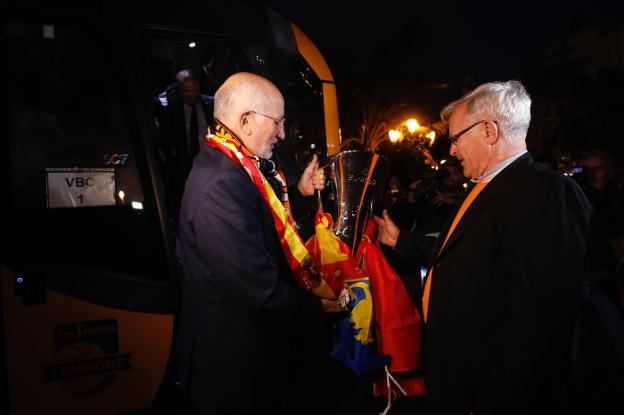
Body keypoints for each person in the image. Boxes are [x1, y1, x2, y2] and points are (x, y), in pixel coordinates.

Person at [375, 80, 591, 414]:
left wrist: (495, 398)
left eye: (456, 138)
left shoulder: (543, 191)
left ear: (489, 131)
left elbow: (539, 320)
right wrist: (401, 240)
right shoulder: (485, 186)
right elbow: (462, 254)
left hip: (488, 391)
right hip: (458, 377)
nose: (452, 151)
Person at [175, 72, 340, 415]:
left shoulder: (230, 164)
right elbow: (258, 289)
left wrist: (300, 194)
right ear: (246, 121)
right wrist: (322, 307)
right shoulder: (221, 182)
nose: (282, 133)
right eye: (277, 122)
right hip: (234, 373)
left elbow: (262, 223)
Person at [155, 69, 215, 221]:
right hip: (185, 164)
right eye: (186, 91)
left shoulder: (212, 104)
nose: (192, 95)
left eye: (194, 90)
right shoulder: (172, 111)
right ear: (180, 91)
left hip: (210, 161)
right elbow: (166, 138)